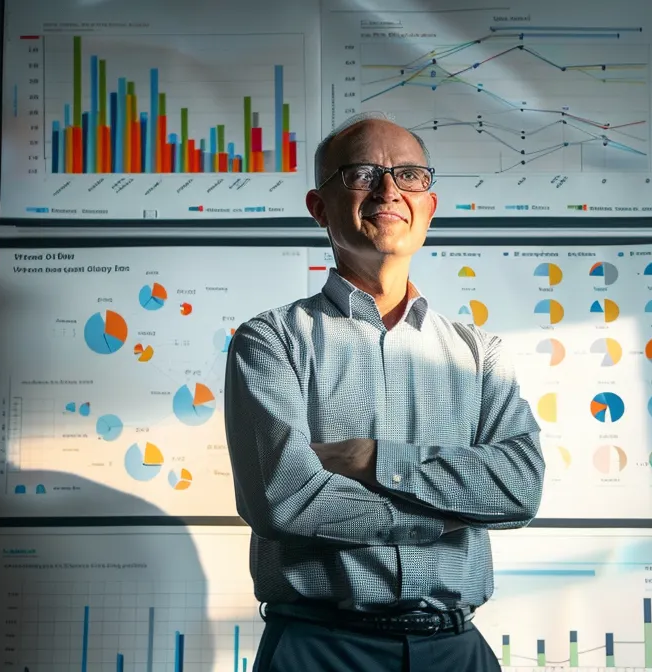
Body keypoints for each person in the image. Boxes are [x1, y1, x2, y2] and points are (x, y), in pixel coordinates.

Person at [223, 111, 545, 671]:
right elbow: (284, 499)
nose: (389, 190)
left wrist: (371, 461)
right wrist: (449, 514)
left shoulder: (480, 354)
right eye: (362, 173)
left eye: (410, 175)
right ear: (320, 208)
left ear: (429, 207)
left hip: (456, 649)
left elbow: (519, 488)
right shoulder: (270, 340)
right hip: (318, 648)